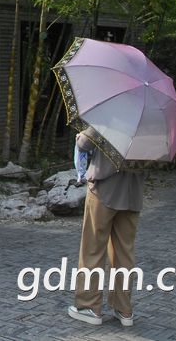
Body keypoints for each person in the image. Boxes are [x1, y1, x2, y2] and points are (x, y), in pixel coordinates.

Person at [68, 131, 145, 328]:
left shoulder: (113, 117)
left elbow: (85, 143)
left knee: (93, 248)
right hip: (133, 192)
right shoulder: (152, 123)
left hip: (105, 189)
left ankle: (89, 306)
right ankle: (124, 310)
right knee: (124, 252)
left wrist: (80, 136)